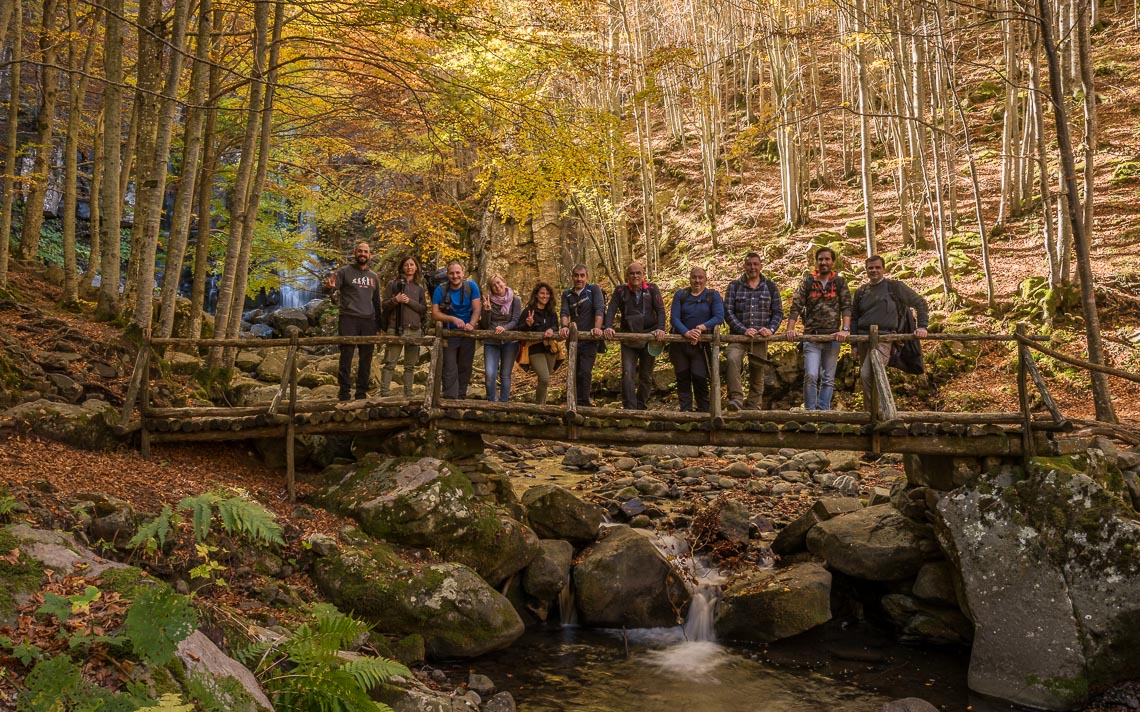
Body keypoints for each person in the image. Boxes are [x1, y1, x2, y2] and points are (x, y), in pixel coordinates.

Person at [850, 254, 929, 417]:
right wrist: (854, 344)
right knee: (870, 377)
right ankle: (870, 417)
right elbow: (854, 318)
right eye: (870, 268)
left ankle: (882, 414)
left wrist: (922, 326)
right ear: (866, 270)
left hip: (885, 339)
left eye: (877, 267)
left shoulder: (895, 287)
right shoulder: (860, 292)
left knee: (868, 373)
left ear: (884, 269)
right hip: (863, 339)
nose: (874, 271)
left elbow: (920, 303)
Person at [785, 247, 852, 411]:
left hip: (833, 337)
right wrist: (790, 329)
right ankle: (810, 411)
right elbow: (796, 306)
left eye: (827, 259)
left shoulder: (840, 282)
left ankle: (824, 410)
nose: (824, 262)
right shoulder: (808, 281)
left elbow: (847, 307)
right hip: (811, 336)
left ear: (833, 262)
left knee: (828, 377)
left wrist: (845, 329)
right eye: (820, 259)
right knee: (811, 375)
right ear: (816, 262)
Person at [723, 252, 783, 411]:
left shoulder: (770, 286)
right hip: (737, 337)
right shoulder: (734, 286)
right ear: (744, 266)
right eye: (749, 264)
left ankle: (753, 408)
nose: (752, 268)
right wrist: (743, 330)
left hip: (760, 339)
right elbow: (728, 312)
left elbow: (778, 312)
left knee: (758, 373)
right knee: (732, 359)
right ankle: (735, 399)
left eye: (756, 264)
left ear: (761, 266)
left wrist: (770, 329)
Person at [325, 241, 382, 401]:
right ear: (355, 253)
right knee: (346, 355)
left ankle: (361, 392)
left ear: (370, 255)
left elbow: (376, 302)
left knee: (366, 358)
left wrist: (379, 325)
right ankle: (344, 392)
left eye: (366, 252)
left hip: (369, 321)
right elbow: (331, 288)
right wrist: (328, 287)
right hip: (348, 318)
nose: (363, 254)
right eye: (360, 251)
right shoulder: (344, 272)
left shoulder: (373, 277)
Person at [604, 262, 666, 410]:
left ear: (643, 274)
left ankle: (641, 406)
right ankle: (629, 408)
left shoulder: (652, 289)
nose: (635, 276)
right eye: (632, 273)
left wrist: (661, 329)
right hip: (628, 339)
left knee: (646, 375)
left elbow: (661, 310)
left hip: (649, 338)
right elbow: (611, 309)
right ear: (627, 275)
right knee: (627, 373)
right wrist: (608, 327)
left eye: (638, 273)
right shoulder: (620, 291)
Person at [669, 267, 724, 412]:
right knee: (682, 377)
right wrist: (687, 333)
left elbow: (719, 317)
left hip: (701, 345)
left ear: (706, 279)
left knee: (699, 376)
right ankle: (686, 410)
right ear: (689, 278)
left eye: (700, 277)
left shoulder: (713, 295)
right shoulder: (680, 295)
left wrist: (701, 328)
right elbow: (674, 318)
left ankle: (704, 410)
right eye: (694, 277)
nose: (697, 281)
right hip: (680, 344)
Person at [431, 261, 482, 399]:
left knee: (465, 366)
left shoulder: (471, 287)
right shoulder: (440, 290)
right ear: (447, 274)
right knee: (449, 367)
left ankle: (461, 396)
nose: (455, 276)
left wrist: (471, 324)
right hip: (449, 333)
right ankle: (450, 398)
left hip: (467, 333)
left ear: (463, 273)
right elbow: (435, 314)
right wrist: (452, 319)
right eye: (452, 273)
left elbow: (477, 309)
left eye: (458, 272)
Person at [379, 255, 428, 398]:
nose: (409, 267)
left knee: (410, 366)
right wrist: (396, 300)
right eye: (406, 265)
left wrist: (408, 301)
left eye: (412, 265)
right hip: (394, 328)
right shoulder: (392, 285)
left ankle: (408, 395)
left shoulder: (419, 288)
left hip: (414, 329)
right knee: (390, 363)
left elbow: (423, 309)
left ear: (416, 268)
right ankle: (385, 394)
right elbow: (384, 305)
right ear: (402, 267)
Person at [559, 264, 606, 407]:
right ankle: (573, 403)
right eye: (576, 275)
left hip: (589, 339)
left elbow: (599, 309)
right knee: (574, 372)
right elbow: (564, 312)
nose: (579, 279)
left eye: (582, 275)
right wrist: (565, 327)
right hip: (573, 340)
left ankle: (584, 404)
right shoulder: (567, 294)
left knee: (585, 372)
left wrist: (597, 328)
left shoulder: (593, 290)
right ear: (572, 276)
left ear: (586, 276)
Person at [483, 274, 522, 402]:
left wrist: (505, 327)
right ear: (491, 288)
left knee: (505, 375)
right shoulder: (488, 300)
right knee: (490, 375)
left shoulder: (515, 300)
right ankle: (492, 404)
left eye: (499, 283)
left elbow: (516, 320)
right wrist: (487, 311)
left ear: (504, 282)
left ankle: (503, 405)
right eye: (494, 285)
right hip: (491, 341)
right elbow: (485, 325)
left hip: (510, 341)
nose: (497, 286)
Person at [520, 282, 561, 405]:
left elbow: (555, 326)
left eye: (547, 293)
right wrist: (528, 324)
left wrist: (551, 330)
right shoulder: (528, 311)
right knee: (544, 378)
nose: (545, 296)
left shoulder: (551, 312)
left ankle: (542, 408)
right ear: (536, 295)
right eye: (542, 293)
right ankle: (538, 408)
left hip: (550, 348)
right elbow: (519, 328)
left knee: (545, 380)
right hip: (534, 348)